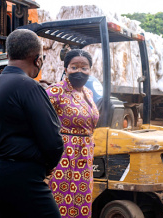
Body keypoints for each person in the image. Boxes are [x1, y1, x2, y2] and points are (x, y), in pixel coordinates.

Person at [0, 29, 64, 218]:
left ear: (8, 55)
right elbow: (53, 142)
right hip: (22, 176)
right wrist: (46, 166)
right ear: (38, 59)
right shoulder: (29, 87)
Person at [46, 49, 99, 217]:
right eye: (74, 67)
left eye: (84, 68)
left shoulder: (88, 93)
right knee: (62, 200)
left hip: (85, 156)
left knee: (82, 200)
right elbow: (39, 120)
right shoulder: (56, 91)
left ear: (90, 70)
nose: (79, 71)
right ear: (65, 68)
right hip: (64, 156)